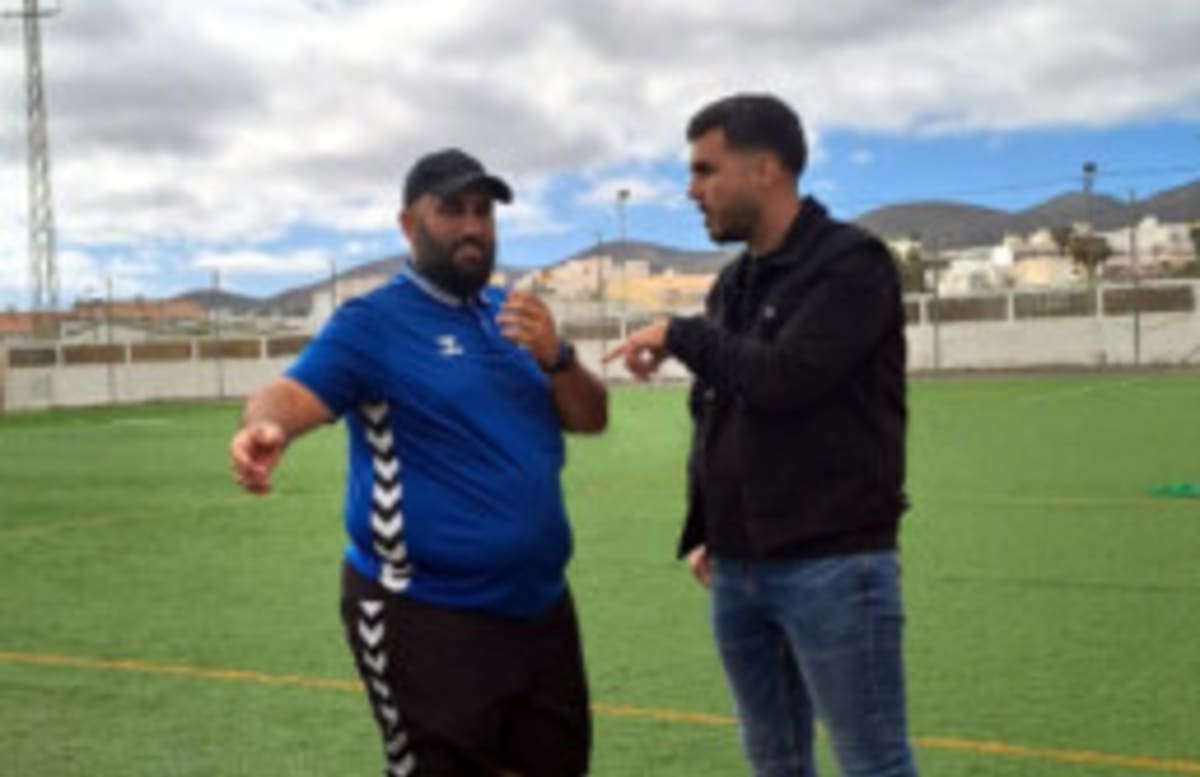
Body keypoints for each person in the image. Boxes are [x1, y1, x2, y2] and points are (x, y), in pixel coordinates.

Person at [229, 148, 607, 777]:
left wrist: (559, 355)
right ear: (409, 225)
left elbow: (591, 418)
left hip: (540, 610)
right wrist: (267, 426)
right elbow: (290, 392)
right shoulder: (372, 323)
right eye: (451, 210)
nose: (472, 227)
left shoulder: (512, 317)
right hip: (425, 615)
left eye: (483, 212)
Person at [607, 94, 918, 776]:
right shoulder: (733, 285)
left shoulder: (851, 265)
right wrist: (703, 527)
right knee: (773, 758)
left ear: (766, 169)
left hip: (834, 565)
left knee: (873, 760)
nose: (692, 191)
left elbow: (786, 378)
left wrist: (680, 335)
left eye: (705, 170)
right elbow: (719, 414)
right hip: (738, 569)